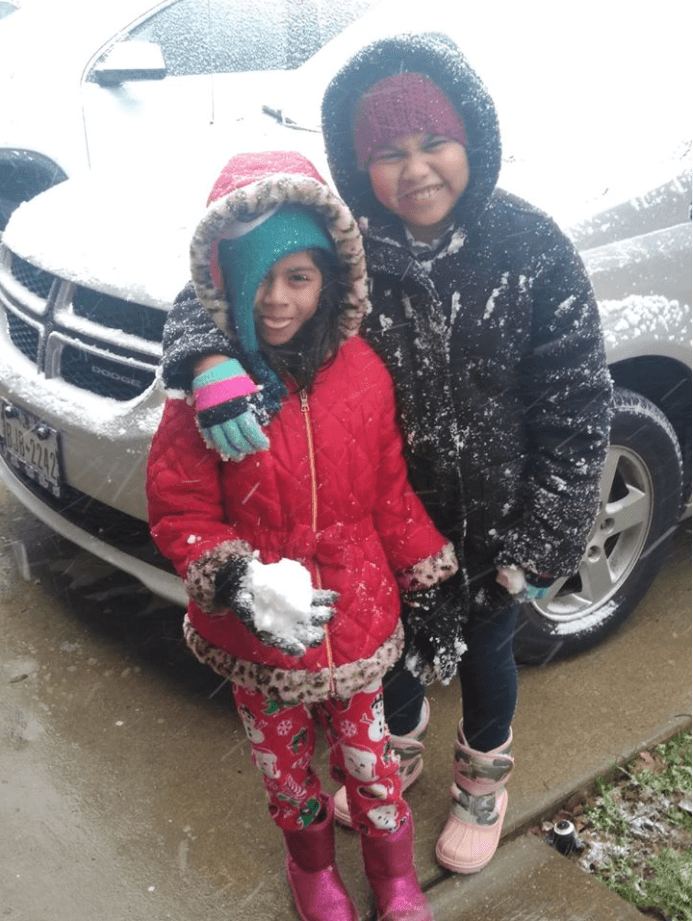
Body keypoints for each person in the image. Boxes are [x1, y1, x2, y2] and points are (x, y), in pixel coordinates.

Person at [159, 33, 614, 877]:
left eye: (433, 142)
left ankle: (482, 776)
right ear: (354, 163)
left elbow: (576, 403)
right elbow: (228, 282)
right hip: (374, 527)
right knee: (386, 659)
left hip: (489, 531)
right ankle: (393, 749)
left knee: (486, 657)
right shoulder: (345, 244)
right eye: (387, 152)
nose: (416, 170)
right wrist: (203, 356)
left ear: (471, 139)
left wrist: (539, 539)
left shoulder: (530, 248)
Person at [147, 149, 460, 921]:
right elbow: (180, 510)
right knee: (287, 774)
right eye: (258, 278)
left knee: (374, 765)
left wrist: (427, 573)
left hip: (353, 622)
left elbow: (388, 490)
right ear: (226, 279)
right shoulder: (207, 397)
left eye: (298, 276)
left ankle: (393, 876)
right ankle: (312, 870)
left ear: (329, 278)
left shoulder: (363, 372)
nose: (278, 299)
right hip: (258, 639)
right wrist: (237, 580)